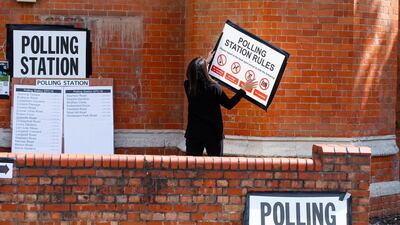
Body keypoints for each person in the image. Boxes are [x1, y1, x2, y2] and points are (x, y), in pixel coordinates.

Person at [184, 51, 258, 156]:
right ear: (205, 70)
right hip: (213, 134)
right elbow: (229, 104)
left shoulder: (188, 86)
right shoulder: (214, 88)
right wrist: (243, 89)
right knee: (217, 167)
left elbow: (196, 72)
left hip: (194, 133)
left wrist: (205, 62)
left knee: (191, 166)